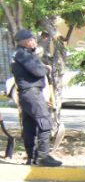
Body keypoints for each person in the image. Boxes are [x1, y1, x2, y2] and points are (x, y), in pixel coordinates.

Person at [9, 28, 62, 166]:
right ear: (25, 42)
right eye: (32, 39)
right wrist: (46, 68)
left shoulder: (18, 54)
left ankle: (31, 158)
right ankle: (43, 156)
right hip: (32, 93)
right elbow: (38, 71)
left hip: (26, 94)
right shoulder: (23, 55)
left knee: (30, 126)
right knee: (45, 123)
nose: (34, 42)